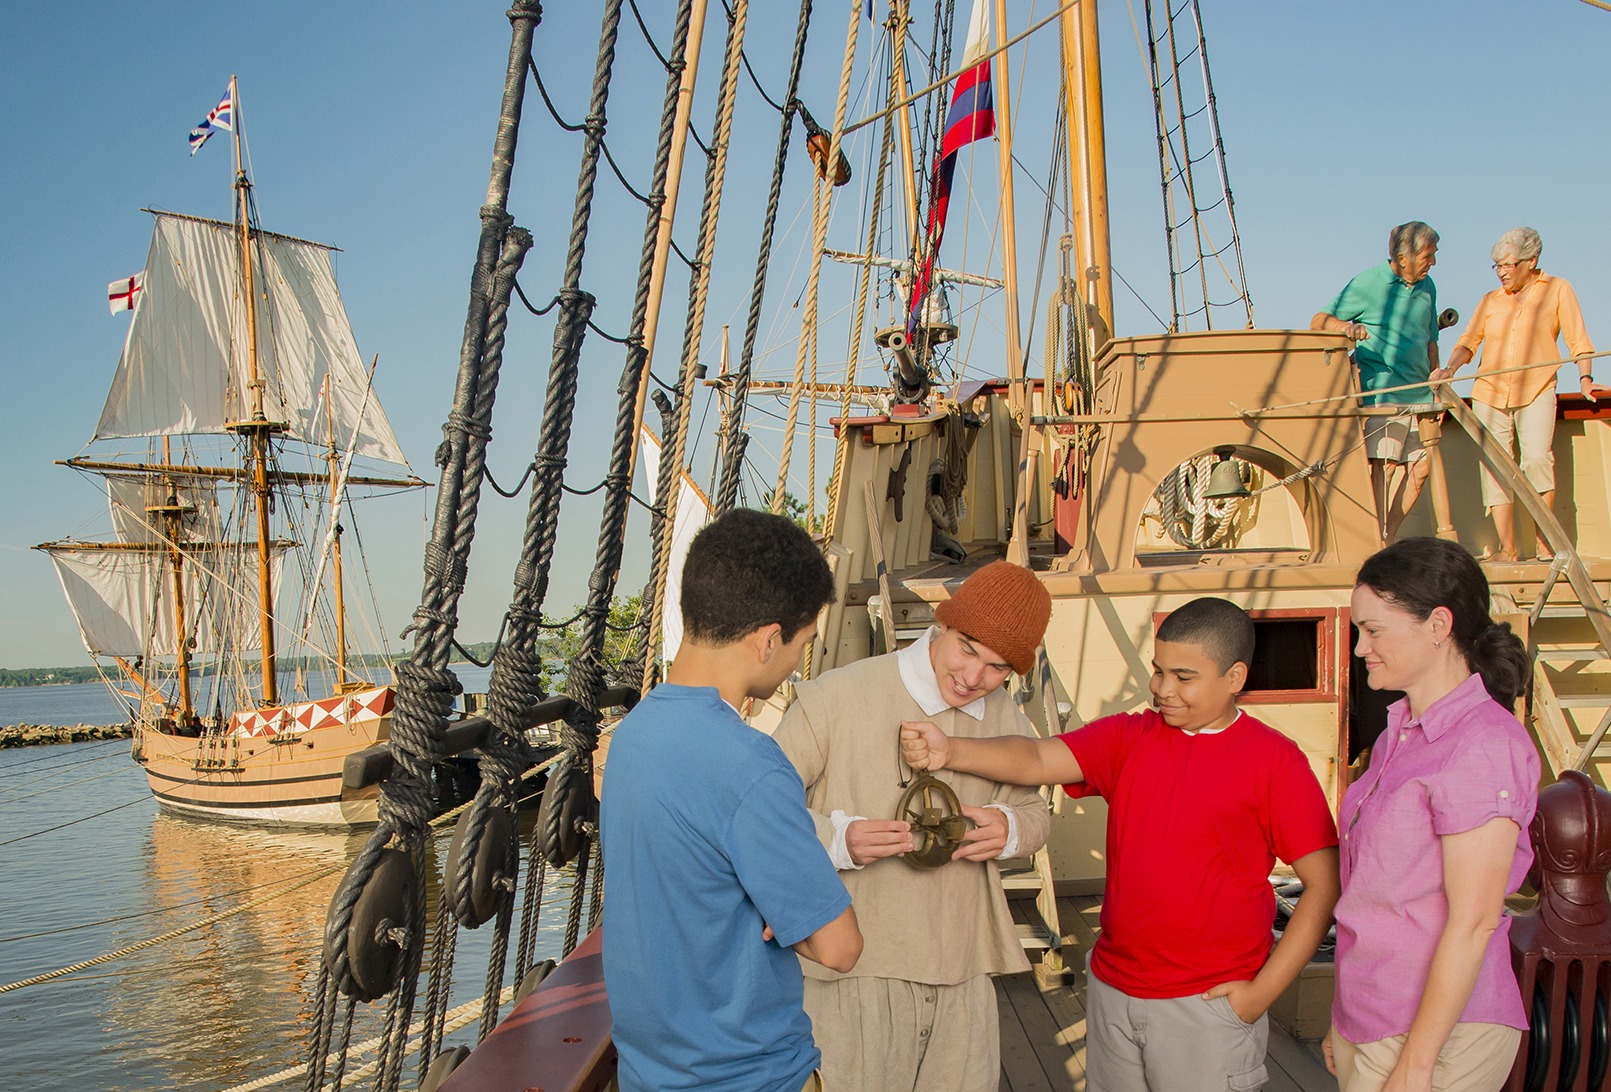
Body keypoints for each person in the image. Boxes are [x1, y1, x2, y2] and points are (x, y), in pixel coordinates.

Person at [901, 596, 1340, 1092]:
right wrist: (951, 749)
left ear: (1235, 677)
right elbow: (1038, 759)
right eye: (1157, 670)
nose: (1162, 689)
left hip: (1208, 1006)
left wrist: (1259, 997)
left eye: (1183, 676)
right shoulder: (1131, 736)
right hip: (1112, 991)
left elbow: (1322, 890)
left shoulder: (1275, 762)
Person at [600, 508, 863, 1092]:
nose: (800, 659)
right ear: (769, 640)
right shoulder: (751, 766)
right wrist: (780, 903)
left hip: (653, 1074)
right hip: (750, 1076)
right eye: (804, 642)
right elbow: (839, 946)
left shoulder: (631, 737)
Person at [770, 559, 1054, 1092]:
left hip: (963, 972)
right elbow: (756, 812)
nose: (974, 678)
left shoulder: (1008, 720)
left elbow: (1038, 815)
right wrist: (838, 839)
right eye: (968, 650)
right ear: (942, 623)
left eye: (996, 669)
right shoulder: (834, 696)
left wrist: (1009, 827)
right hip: (852, 974)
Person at [1326, 537, 1539, 1092]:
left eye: (1374, 630)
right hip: (1372, 1015)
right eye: (1358, 631)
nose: (1359, 648)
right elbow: (1373, 893)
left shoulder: (1483, 743)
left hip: (1438, 1036)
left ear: (1438, 625)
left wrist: (1416, 1067)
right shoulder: (1400, 732)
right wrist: (1343, 1022)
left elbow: (1472, 921)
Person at [1441, 227, 1597, 562]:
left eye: (1508, 265)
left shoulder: (1558, 289)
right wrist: (1449, 370)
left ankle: (1545, 542)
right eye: (1496, 266)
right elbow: (1468, 341)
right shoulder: (1490, 300)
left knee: (1537, 460)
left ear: (1531, 261)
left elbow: (1578, 340)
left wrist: (1585, 379)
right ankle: (1506, 549)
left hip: (1538, 388)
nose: (1502, 272)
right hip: (1489, 392)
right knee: (1495, 466)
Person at [1311, 221, 1443, 542]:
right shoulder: (1367, 283)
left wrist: (1436, 384)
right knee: (1383, 468)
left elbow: (1430, 340)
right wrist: (1346, 328)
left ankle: (1388, 536)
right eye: (1428, 255)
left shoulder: (1428, 287)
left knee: (1422, 468)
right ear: (1401, 259)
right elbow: (1318, 322)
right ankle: (1376, 539)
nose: (1433, 262)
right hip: (1382, 393)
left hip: (1421, 396)